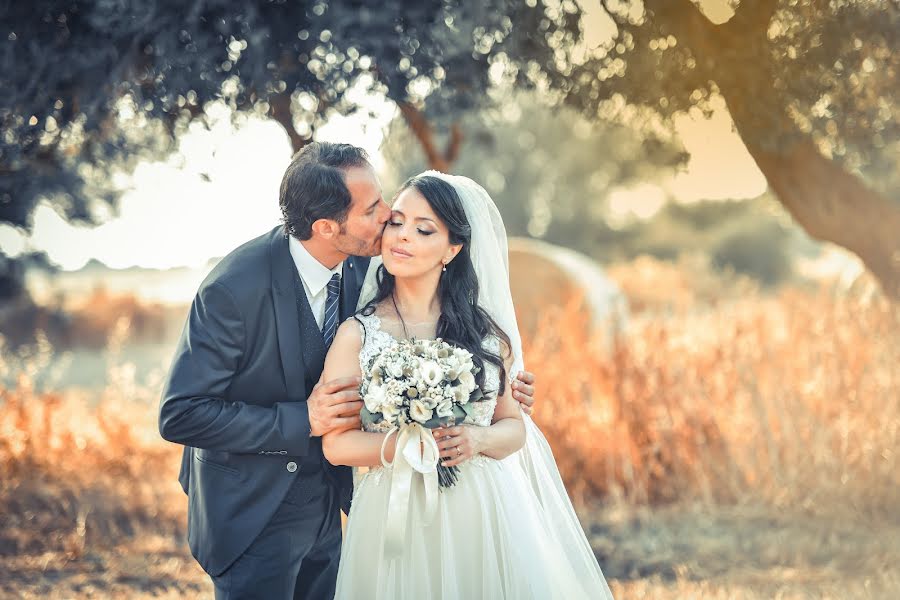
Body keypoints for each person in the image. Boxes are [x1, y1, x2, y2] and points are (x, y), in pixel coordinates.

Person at [158, 142, 536, 599]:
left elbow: (427, 325)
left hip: (333, 508)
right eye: (375, 209)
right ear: (326, 227)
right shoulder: (234, 289)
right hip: (253, 508)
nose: (388, 220)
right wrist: (305, 420)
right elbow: (181, 414)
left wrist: (491, 388)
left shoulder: (367, 263)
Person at [322, 172, 614, 599]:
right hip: (393, 513)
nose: (402, 238)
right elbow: (336, 444)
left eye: (424, 230)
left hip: (480, 507)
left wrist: (477, 438)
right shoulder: (357, 334)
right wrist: (406, 447)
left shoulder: (486, 336)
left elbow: (515, 429)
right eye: (396, 222)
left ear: (453, 249)